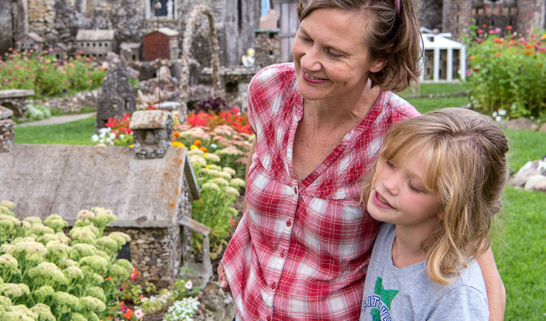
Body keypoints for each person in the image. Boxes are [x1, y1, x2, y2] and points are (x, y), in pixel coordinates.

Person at [217, 0, 507, 320]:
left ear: (380, 58)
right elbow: (260, 160)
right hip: (249, 309)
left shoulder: (402, 138)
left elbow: (470, 242)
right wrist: (241, 245)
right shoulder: (269, 88)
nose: (309, 61)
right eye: (305, 38)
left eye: (334, 53)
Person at [359, 108, 508, 320]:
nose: (389, 184)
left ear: (449, 207)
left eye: (415, 186)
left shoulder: (455, 295)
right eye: (391, 163)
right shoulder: (392, 231)